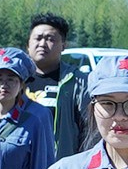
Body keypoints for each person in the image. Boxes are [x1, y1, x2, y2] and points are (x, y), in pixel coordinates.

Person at [26, 12, 90, 159]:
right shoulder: (13, 79)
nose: (42, 44)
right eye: (38, 38)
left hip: (60, 168)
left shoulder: (77, 82)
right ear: (28, 44)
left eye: (50, 39)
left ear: (63, 46)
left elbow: (89, 131)